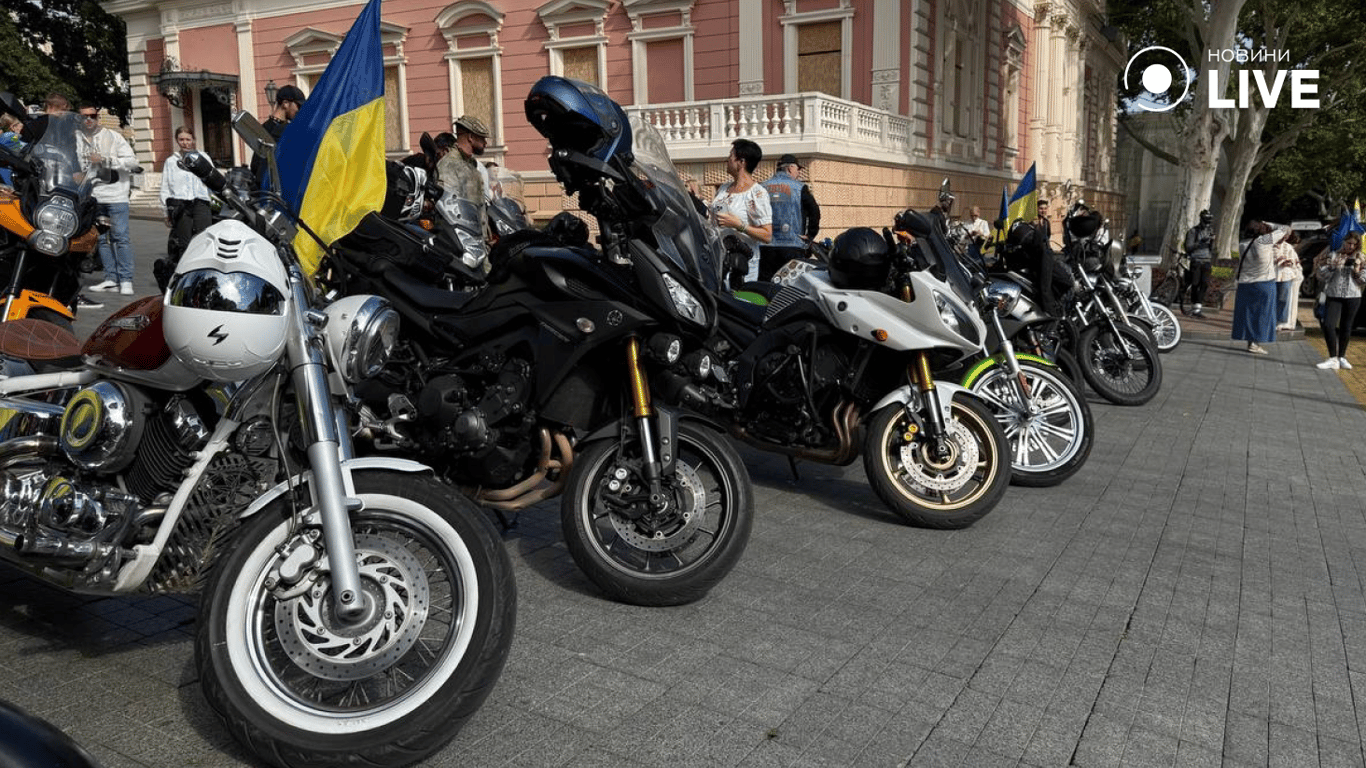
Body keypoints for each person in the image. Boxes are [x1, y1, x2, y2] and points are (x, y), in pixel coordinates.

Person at [77, 105, 139, 296]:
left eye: (92, 116)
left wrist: (105, 160)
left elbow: (132, 162)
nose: (88, 119)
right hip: (94, 196)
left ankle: (126, 279)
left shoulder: (113, 136)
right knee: (102, 240)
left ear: (98, 118)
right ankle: (111, 279)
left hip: (116, 195)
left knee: (120, 237)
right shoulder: (78, 139)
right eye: (84, 116)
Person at [710, 138, 772, 289]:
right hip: (718, 261)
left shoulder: (757, 194)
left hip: (742, 267)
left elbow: (767, 235)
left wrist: (738, 225)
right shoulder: (723, 188)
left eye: (731, 156)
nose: (727, 160)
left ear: (741, 162)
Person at [158, 126, 214, 289]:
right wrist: (165, 211)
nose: (185, 143)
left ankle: (205, 278)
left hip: (201, 203)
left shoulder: (203, 157)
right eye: (181, 139)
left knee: (204, 241)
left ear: (193, 140)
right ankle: (186, 280)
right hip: (181, 204)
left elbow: (212, 178)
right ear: (177, 140)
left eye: (188, 139)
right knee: (185, 244)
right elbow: (165, 187)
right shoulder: (171, 161)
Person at [758, 153, 819, 281]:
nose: (798, 173)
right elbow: (814, 211)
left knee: (765, 286)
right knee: (791, 287)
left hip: (765, 247)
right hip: (792, 246)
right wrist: (810, 235)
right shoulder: (799, 188)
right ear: (790, 168)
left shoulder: (762, 187)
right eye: (798, 169)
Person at [1232, 219, 1288, 355]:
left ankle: (1250, 342)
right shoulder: (1264, 241)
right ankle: (1255, 343)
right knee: (1263, 315)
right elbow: (1286, 228)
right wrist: (1270, 223)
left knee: (1249, 315)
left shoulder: (1242, 244)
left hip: (1245, 283)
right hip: (1264, 283)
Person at [1313, 232, 1365, 369]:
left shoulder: (1361, 258)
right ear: (1344, 241)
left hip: (1353, 296)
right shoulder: (1333, 255)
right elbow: (1321, 276)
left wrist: (1356, 270)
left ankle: (1342, 356)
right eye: (1349, 243)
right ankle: (1332, 357)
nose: (1351, 246)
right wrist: (1333, 267)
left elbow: (1363, 280)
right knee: (1328, 324)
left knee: (1346, 327)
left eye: (1354, 244)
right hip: (1334, 294)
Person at [436, 115, 491, 243]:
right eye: (482, 138)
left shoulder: (470, 164)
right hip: (463, 243)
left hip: (478, 239)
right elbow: (448, 208)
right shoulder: (449, 164)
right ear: (471, 137)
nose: (485, 143)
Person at [249, 84, 306, 190]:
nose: (300, 110)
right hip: (277, 192)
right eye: (298, 105)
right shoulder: (286, 131)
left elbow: (255, 165)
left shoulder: (264, 127)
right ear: (285, 104)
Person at [1183, 209, 1215, 318]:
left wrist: (1212, 241)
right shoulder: (1193, 231)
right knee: (1195, 284)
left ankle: (1198, 307)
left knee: (1204, 284)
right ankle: (1194, 308)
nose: (1207, 224)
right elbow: (1188, 247)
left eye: (1209, 221)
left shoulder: (1210, 230)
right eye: (1205, 221)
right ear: (1201, 219)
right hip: (1196, 261)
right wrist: (1201, 242)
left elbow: (1211, 248)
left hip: (1207, 261)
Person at [1274, 231, 1303, 331]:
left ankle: (1281, 321)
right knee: (1272, 299)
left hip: (1286, 276)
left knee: (1283, 299)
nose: (1284, 238)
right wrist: (1278, 261)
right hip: (1272, 276)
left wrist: (1290, 262)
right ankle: (1270, 319)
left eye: (1286, 236)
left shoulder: (1288, 247)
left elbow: (1296, 261)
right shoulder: (1269, 247)